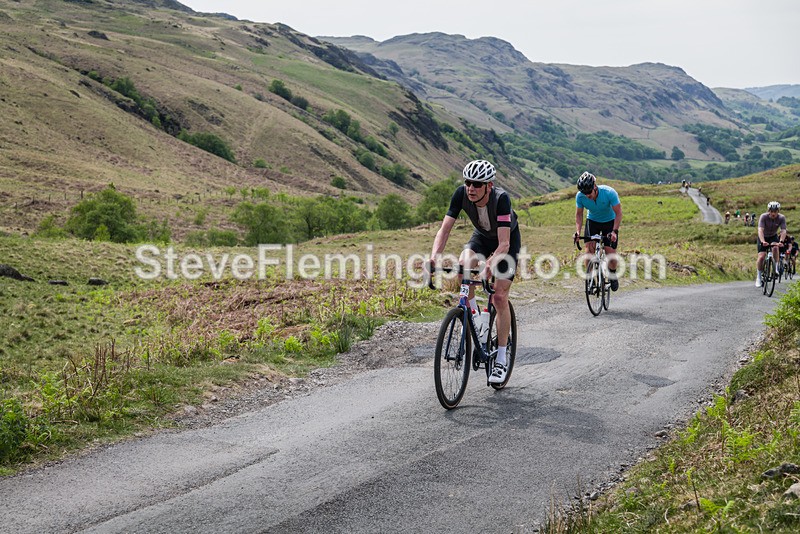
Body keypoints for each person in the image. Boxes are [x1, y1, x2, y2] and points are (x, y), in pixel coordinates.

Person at [429, 159, 521, 384]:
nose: (471, 188)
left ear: (489, 185)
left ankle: (500, 358)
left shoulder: (501, 199)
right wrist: (434, 257)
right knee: (463, 266)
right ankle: (477, 318)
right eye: (468, 182)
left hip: (505, 242)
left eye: (477, 184)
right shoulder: (461, 194)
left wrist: (489, 265)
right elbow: (444, 229)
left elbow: (504, 244)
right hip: (481, 238)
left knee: (499, 296)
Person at [574, 171, 623, 291]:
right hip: (593, 221)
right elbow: (579, 215)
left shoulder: (609, 193)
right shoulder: (580, 196)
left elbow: (618, 213)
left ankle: (612, 274)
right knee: (589, 252)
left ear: (594, 187)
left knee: (610, 253)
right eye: (584, 193)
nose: (587, 196)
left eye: (589, 192)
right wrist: (578, 232)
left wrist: (614, 231)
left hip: (609, 221)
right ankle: (590, 278)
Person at [756, 201, 788, 287]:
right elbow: (760, 230)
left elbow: (783, 230)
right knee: (761, 257)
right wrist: (763, 241)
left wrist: (781, 241)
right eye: (771, 211)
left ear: (778, 211)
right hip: (763, 236)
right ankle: (758, 277)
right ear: (768, 211)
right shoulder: (763, 217)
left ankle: (776, 268)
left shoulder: (781, 218)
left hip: (773, 236)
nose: (773, 213)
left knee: (775, 248)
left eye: (775, 211)